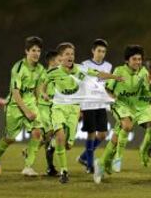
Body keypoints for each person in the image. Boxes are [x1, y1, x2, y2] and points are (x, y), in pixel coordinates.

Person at [42, 42, 122, 183]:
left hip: (74, 109)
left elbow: (98, 74)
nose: (70, 56)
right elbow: (43, 86)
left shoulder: (80, 69)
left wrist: (115, 77)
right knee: (60, 136)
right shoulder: (53, 72)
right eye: (67, 54)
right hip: (58, 107)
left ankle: (52, 145)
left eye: (72, 54)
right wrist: (44, 94)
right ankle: (64, 172)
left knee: (68, 145)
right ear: (60, 57)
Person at [93, 45, 151, 183]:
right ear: (127, 60)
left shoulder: (143, 72)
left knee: (116, 137)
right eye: (135, 59)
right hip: (120, 105)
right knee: (127, 126)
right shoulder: (119, 71)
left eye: (140, 59)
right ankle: (118, 158)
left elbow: (148, 92)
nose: (138, 62)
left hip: (134, 107)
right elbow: (107, 88)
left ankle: (101, 164)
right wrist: (113, 97)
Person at [0, 36, 45, 177]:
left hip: (30, 103)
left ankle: (28, 167)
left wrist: (40, 105)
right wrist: (26, 111)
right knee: (10, 138)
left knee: (37, 133)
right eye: (33, 50)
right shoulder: (18, 68)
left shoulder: (40, 69)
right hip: (15, 105)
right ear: (26, 51)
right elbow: (15, 92)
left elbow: (38, 90)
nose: (36, 53)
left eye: (39, 50)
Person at [76, 39, 113, 174]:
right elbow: (80, 85)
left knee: (102, 135)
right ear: (93, 51)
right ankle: (89, 165)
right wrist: (79, 106)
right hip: (88, 104)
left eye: (103, 51)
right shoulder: (84, 65)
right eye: (99, 51)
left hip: (101, 104)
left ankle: (83, 157)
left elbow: (106, 86)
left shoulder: (108, 66)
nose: (101, 54)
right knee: (91, 134)